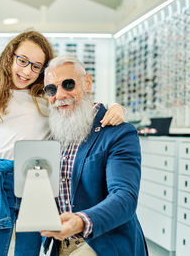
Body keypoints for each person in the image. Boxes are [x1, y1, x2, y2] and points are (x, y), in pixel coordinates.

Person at [0, 31, 126, 256]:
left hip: (37, 182)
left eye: (36, 66)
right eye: (22, 61)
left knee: (29, 251)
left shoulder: (45, 97)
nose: (27, 71)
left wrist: (116, 106)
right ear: (10, 56)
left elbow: (81, 105)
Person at [41, 55, 148, 256]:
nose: (60, 95)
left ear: (87, 83)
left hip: (103, 244)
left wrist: (81, 221)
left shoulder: (118, 132)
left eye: (68, 84)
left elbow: (125, 196)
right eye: (51, 89)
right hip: (59, 246)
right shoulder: (51, 134)